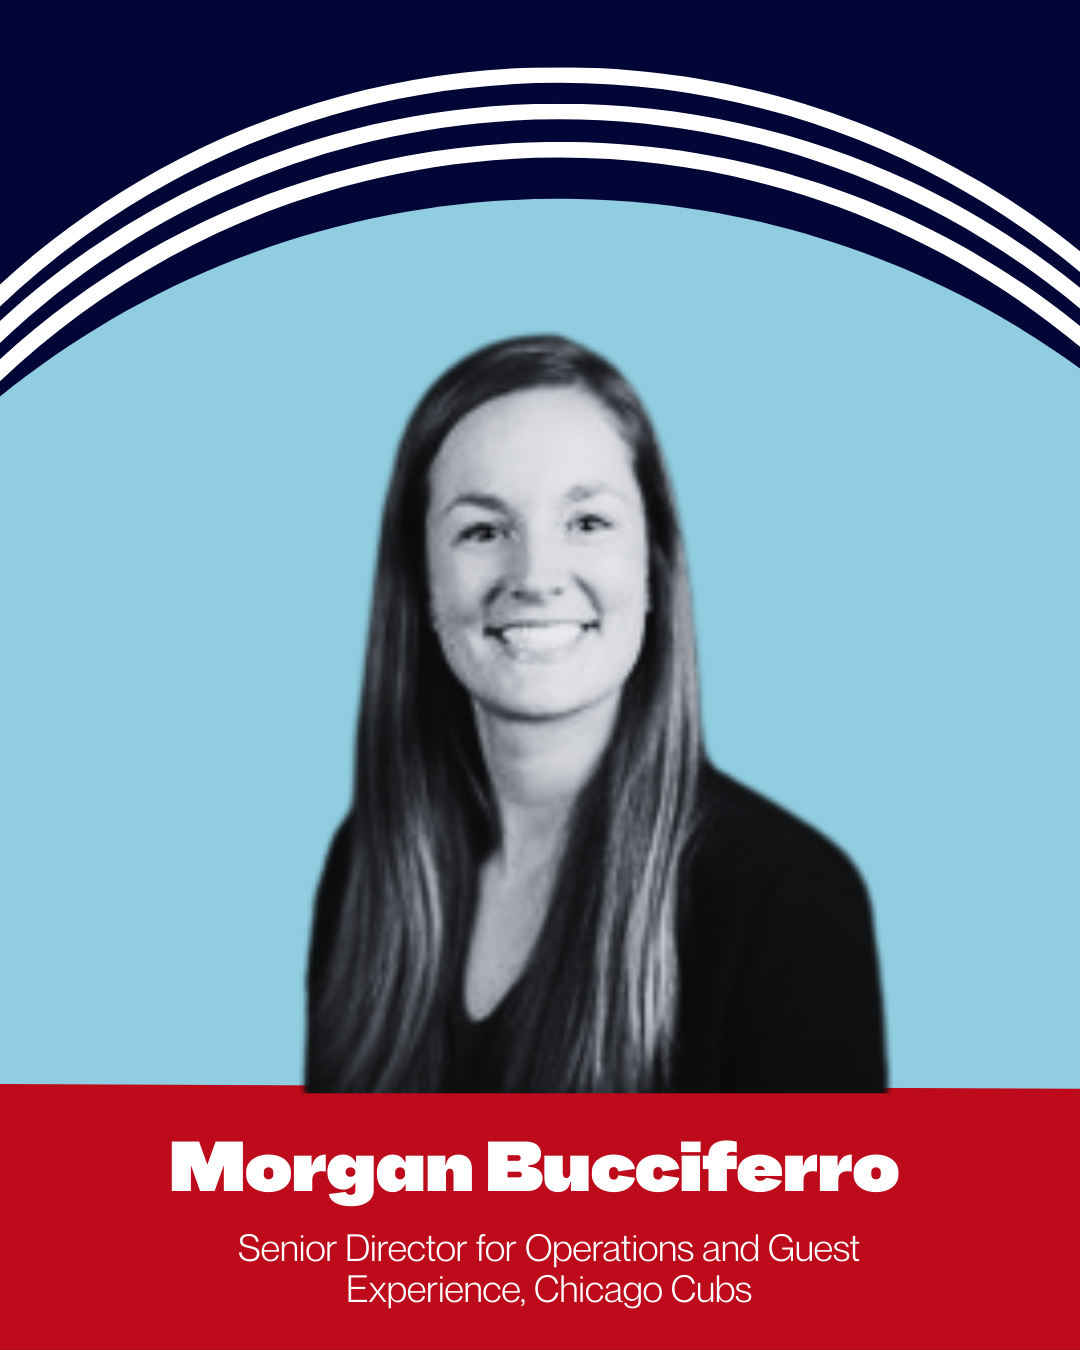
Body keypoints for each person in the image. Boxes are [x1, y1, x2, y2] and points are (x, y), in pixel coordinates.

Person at [306, 335, 885, 1093]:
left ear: (654, 568)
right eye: (483, 530)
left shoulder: (788, 903)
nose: (536, 577)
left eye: (587, 523)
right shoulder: (365, 869)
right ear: (421, 585)